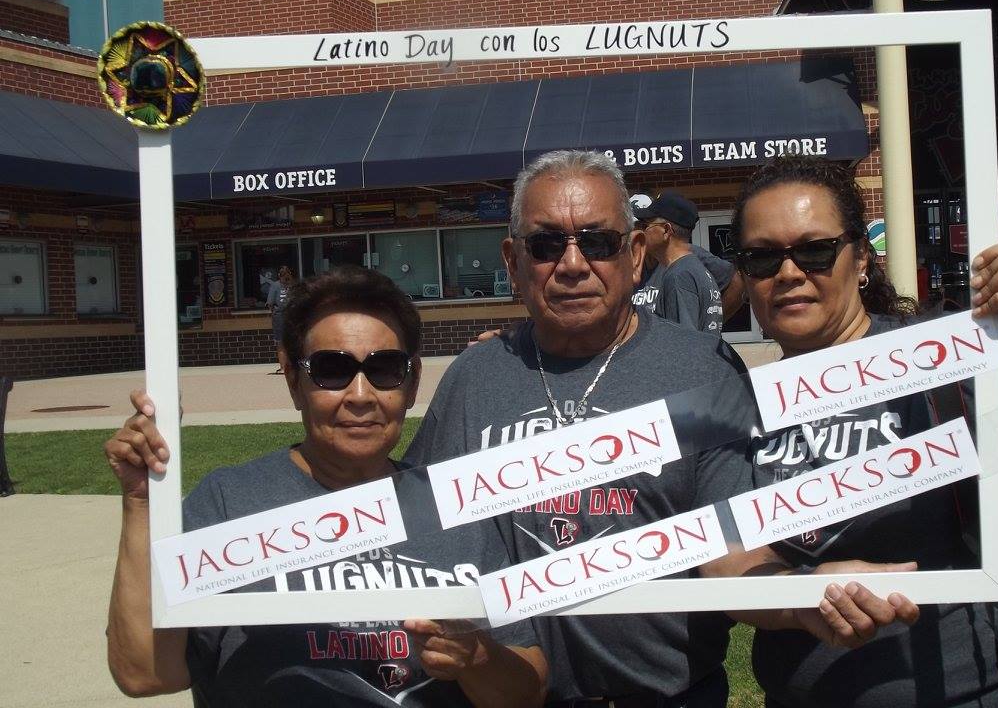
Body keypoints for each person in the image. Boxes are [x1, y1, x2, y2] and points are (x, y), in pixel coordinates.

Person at [405, 150, 917, 706]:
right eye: (546, 244)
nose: (573, 264)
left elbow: (732, 546)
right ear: (512, 260)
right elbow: (411, 525)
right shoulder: (474, 377)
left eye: (597, 241)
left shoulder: (702, 371)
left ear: (633, 253)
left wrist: (803, 596)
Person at [730, 156, 998, 707]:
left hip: (961, 690)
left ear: (861, 259)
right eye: (762, 257)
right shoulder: (741, 402)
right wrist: (798, 594)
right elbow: (732, 555)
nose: (790, 272)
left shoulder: (935, 361)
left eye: (815, 250)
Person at [104, 266, 547, 707]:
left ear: (412, 384)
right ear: (292, 379)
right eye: (331, 370)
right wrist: (141, 503)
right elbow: (143, 672)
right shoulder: (229, 503)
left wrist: (479, 660)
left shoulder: (454, 507)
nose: (360, 394)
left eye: (386, 369)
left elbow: (527, 692)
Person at [630, 190, 724, 334]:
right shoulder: (694, 269)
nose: (640, 233)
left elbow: (683, 344)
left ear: (666, 230)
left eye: (645, 226)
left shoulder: (679, 276)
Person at [267, 265, 295, 372]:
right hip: (291, 315)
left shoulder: (275, 285)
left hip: (280, 316)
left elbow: (270, 303)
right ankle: (291, 367)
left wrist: (273, 311)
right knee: (290, 341)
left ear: (279, 276)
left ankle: (284, 367)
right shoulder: (293, 285)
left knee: (281, 342)